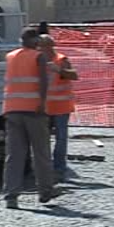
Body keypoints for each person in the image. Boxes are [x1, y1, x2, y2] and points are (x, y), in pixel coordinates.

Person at [2, 28, 61, 209]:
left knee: (14, 155)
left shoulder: (10, 56)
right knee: (41, 153)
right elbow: (43, 81)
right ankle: (45, 191)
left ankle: (11, 195)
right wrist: (42, 103)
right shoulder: (38, 57)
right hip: (33, 110)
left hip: (12, 109)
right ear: (35, 41)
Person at [39, 34, 78, 181]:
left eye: (42, 46)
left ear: (50, 46)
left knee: (61, 138)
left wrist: (59, 70)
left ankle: (59, 166)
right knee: (42, 138)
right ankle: (45, 165)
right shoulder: (37, 60)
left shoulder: (61, 60)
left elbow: (74, 75)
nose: (40, 49)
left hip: (61, 106)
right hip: (44, 107)